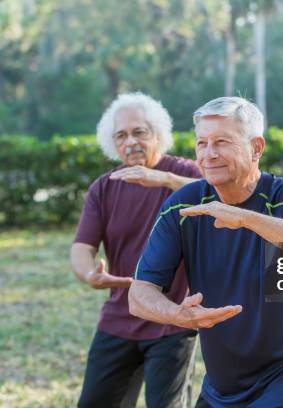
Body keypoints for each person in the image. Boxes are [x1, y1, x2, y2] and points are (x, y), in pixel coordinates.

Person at [128, 96, 283, 408]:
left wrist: (245, 218)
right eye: (202, 143)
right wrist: (177, 314)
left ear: (256, 148)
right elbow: (138, 295)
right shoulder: (184, 205)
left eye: (222, 142)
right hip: (223, 385)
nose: (209, 154)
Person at [71, 92, 201, 408]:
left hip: (173, 317)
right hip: (120, 315)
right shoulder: (105, 187)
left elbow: (217, 193)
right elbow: (81, 247)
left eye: (139, 132)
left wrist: (163, 179)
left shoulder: (186, 174)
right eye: (121, 135)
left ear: (158, 134)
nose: (130, 142)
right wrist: (90, 274)